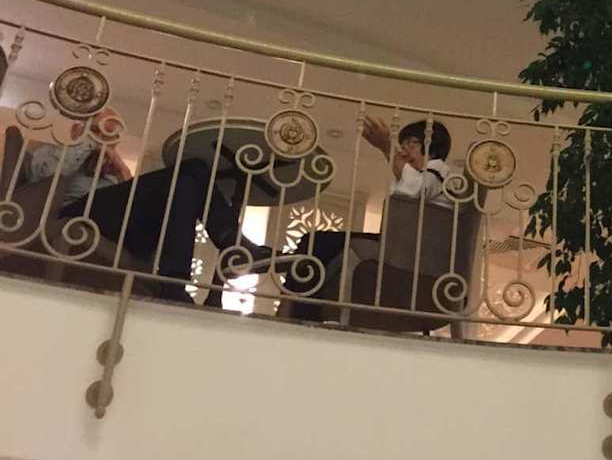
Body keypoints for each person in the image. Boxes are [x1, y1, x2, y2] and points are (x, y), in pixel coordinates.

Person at [1, 44, 269, 298]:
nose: (104, 138)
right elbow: (46, 176)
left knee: (184, 185)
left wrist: (119, 168)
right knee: (194, 168)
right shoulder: (54, 151)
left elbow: (133, 204)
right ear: (77, 129)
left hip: (122, 229)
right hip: (75, 216)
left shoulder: (113, 173)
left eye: (110, 133)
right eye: (98, 129)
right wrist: (89, 141)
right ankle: (232, 243)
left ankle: (174, 284)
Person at [279, 118, 452, 313]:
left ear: (432, 147)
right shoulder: (428, 175)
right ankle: (296, 298)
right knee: (318, 246)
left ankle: (295, 304)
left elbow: (415, 190)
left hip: (411, 251)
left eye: (411, 144)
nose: (404, 151)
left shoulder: (438, 170)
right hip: (405, 247)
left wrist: (387, 148)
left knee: (317, 242)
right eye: (402, 145)